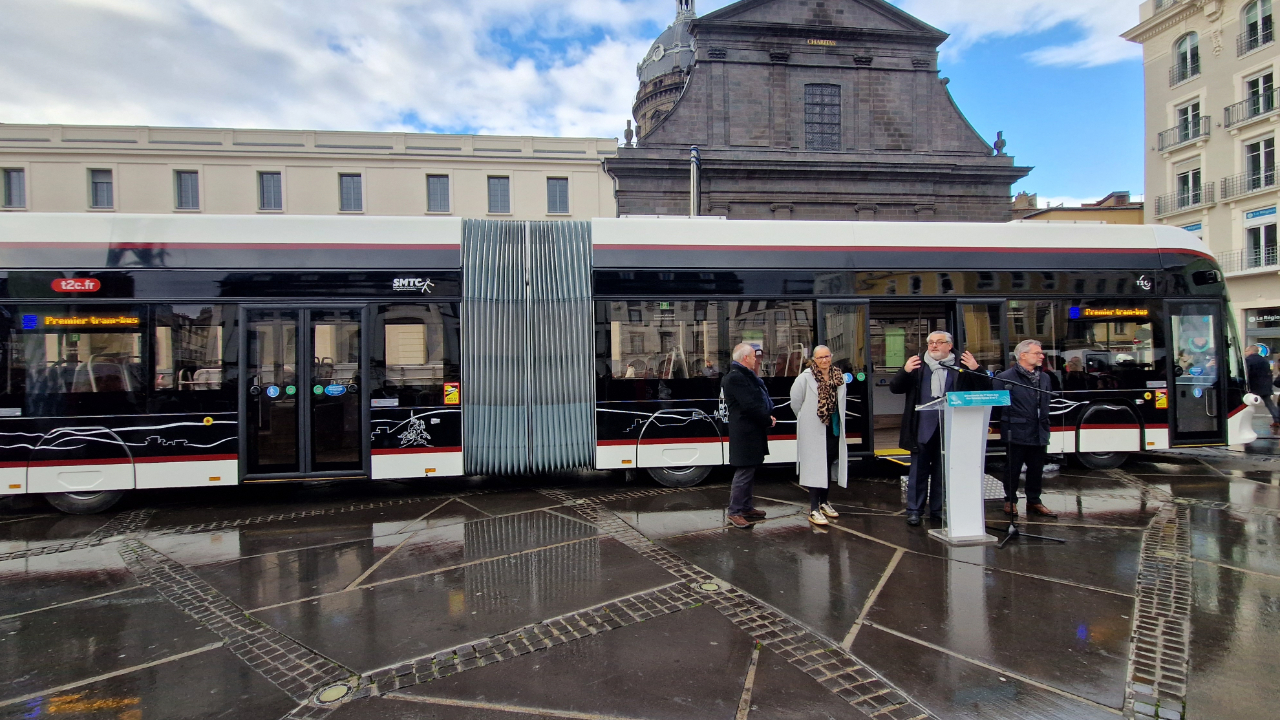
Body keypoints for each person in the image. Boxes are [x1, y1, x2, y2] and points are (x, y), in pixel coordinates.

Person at [889, 331, 987, 527]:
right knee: (918, 472)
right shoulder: (918, 364)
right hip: (922, 428)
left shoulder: (961, 365)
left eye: (939, 343)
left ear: (949, 346)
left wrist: (977, 369)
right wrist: (905, 371)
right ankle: (914, 510)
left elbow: (984, 387)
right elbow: (895, 388)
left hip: (950, 428)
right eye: (931, 343)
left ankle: (937, 510)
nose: (933, 346)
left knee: (943, 473)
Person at [995, 339, 1059, 519]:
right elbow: (997, 406)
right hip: (1016, 430)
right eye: (1037, 353)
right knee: (1012, 468)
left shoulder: (1045, 377)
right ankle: (1010, 500)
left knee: (1036, 468)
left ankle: (1034, 501)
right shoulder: (1005, 377)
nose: (1041, 356)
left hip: (1039, 430)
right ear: (1023, 355)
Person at [789, 345, 847, 526]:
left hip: (833, 428)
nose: (824, 360)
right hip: (813, 429)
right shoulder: (805, 378)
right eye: (820, 357)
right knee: (815, 468)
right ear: (814, 359)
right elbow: (795, 402)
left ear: (831, 357)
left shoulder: (838, 376)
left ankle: (823, 503)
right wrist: (805, 419)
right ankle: (814, 508)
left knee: (827, 466)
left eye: (827, 357)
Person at [722, 342, 776, 528]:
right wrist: (768, 419)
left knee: (750, 469)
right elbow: (750, 405)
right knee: (744, 471)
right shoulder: (737, 378)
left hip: (750, 430)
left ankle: (745, 507)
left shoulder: (743, 376)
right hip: (745, 431)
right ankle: (735, 511)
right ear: (745, 358)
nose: (756, 359)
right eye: (753, 356)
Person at [1244, 345, 1280, 428]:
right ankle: (1277, 420)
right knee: (1269, 404)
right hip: (1265, 386)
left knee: (1244, 403)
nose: (1245, 353)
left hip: (1253, 386)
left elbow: (1247, 373)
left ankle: (1244, 422)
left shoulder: (1248, 360)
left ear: (1251, 351)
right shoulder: (1264, 360)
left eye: (1246, 351)